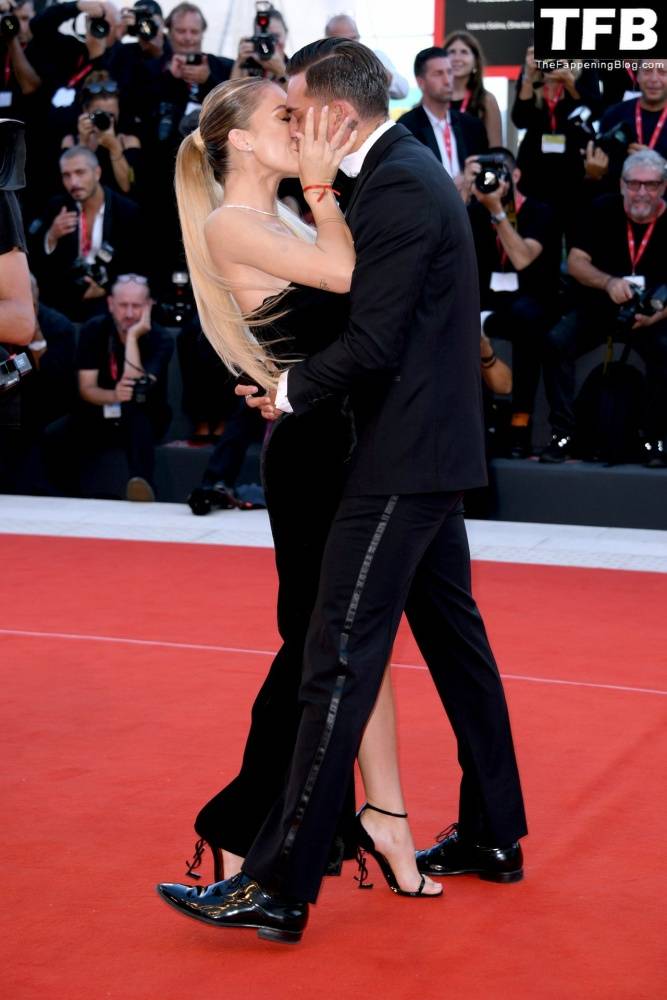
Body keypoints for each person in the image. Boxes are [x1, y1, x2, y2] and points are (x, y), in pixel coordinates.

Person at [157, 40, 526, 943]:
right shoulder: (273, 214)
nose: (292, 124)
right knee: (328, 653)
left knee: (350, 653)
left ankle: (346, 847)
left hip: (377, 444)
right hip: (343, 450)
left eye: (296, 107)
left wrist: (289, 382)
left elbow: (381, 309)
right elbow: (364, 299)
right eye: (278, 116)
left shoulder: (365, 186)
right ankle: (307, 843)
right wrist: (287, 380)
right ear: (240, 144)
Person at [540, 150, 667, 467]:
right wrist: (608, 283)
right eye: (634, 184)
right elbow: (576, 263)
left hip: (654, 313)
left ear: (663, 187)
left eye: (650, 185)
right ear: (622, 184)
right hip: (601, 306)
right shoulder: (601, 208)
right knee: (556, 341)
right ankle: (563, 433)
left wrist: (660, 313)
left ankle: (655, 438)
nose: (641, 192)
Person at [462, 147, 560, 457]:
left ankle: (521, 419)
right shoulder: (474, 210)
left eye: (500, 174)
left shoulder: (540, 211)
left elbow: (521, 259)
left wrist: (498, 213)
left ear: (515, 176)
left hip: (533, 302)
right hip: (488, 304)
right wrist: (465, 189)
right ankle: (473, 422)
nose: (493, 182)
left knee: (526, 320)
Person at [44, 273, 172, 499]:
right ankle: (61, 496)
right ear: (111, 304)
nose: (130, 313)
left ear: (149, 306)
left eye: (137, 306)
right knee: (57, 432)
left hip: (146, 414)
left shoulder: (161, 338)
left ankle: (142, 489)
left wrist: (133, 337)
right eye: (123, 306)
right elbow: (87, 388)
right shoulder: (94, 329)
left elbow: (136, 388)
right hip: (102, 410)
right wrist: (114, 394)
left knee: (137, 416)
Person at [28, 145, 142, 320]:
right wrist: (51, 237)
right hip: (65, 297)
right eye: (66, 175)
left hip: (110, 298)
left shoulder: (126, 211)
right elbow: (38, 264)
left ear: (97, 173)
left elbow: (137, 264)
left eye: (80, 173)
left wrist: (106, 288)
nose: (73, 182)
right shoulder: (57, 207)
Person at [511, 46, 601, 239]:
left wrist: (569, 83)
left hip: (574, 170)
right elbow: (520, 119)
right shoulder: (533, 71)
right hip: (535, 170)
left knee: (576, 232)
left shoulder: (584, 65)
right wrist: (528, 75)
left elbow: (594, 110)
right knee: (539, 235)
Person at [399, 47, 488, 193]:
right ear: (421, 82)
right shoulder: (406, 128)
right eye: (438, 74)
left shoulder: (472, 126)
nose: (447, 80)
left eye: (450, 72)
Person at [60, 71, 142, 198]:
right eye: (100, 115)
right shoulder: (71, 142)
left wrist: (114, 147)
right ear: (85, 111)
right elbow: (70, 189)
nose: (107, 120)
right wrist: (83, 143)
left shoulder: (128, 142)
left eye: (111, 115)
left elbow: (127, 186)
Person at [324, 13, 409, 100]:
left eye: (354, 38)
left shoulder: (375, 56)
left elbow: (403, 90)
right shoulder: (321, 64)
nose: (351, 45)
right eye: (343, 40)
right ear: (327, 41)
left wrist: (377, 71)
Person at [443, 30, 502, 147]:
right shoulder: (434, 99)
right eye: (452, 52)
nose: (457, 58)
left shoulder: (487, 100)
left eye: (464, 52)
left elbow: (496, 149)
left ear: (475, 62)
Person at [231, 6, 289, 84]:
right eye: (263, 38)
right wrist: (239, 61)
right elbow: (234, 95)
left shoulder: (296, 67)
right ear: (254, 38)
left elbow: (295, 95)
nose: (270, 42)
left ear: (286, 34)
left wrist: (281, 71)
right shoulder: (248, 64)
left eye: (275, 36)